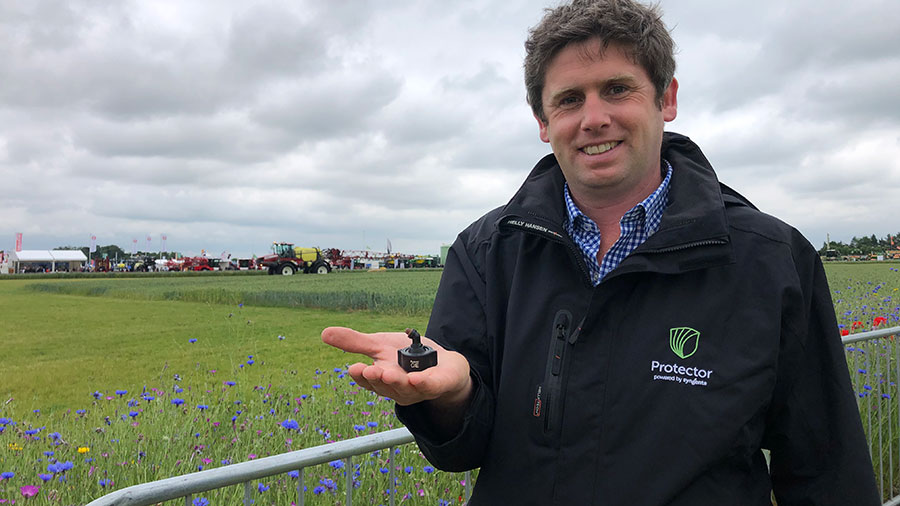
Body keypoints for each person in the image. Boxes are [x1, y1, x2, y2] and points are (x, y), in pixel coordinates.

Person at [322, 0, 880, 503]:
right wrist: (452, 397)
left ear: (667, 99)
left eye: (617, 89)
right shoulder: (487, 252)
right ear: (543, 123)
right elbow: (460, 450)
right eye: (568, 100)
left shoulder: (771, 260)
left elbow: (826, 471)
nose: (593, 118)